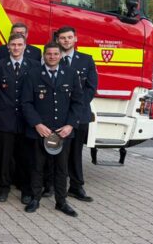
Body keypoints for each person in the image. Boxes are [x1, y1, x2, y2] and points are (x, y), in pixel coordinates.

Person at [21, 42, 83, 216]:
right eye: (49, 54)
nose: (52, 57)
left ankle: (61, 202)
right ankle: (35, 199)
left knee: (62, 169)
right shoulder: (33, 74)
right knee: (37, 167)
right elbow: (25, 103)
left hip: (63, 132)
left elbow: (78, 102)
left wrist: (70, 125)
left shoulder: (70, 74)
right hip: (40, 131)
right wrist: (37, 124)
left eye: (56, 54)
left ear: (61, 56)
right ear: (44, 56)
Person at [0, 33, 34, 203]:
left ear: (25, 46)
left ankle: (26, 190)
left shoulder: (33, 66)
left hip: (25, 120)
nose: (16, 48)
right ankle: (4, 187)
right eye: (13, 44)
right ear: (8, 46)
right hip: (4, 119)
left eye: (19, 44)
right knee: (4, 157)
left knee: (25, 157)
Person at [57, 25, 97, 203]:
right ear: (58, 40)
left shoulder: (86, 60)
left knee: (75, 152)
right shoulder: (53, 58)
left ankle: (76, 186)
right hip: (58, 115)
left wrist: (77, 106)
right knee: (57, 151)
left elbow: (91, 87)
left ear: (75, 39)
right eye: (63, 38)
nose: (66, 40)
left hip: (79, 114)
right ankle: (54, 186)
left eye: (69, 37)